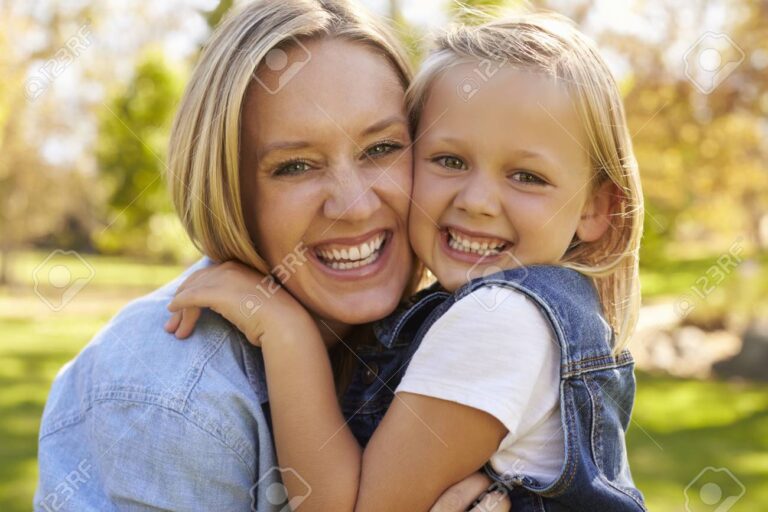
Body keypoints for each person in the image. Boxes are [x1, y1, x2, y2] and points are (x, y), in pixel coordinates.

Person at [34, 1, 507, 511]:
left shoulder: (449, 332)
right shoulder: (175, 394)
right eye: (296, 166)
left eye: (380, 149)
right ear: (230, 190)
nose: (353, 205)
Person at [167, 11, 647, 512]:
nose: (478, 200)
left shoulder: (499, 324)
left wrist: (287, 335)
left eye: (527, 176)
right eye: (450, 161)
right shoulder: (518, 314)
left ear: (596, 209)